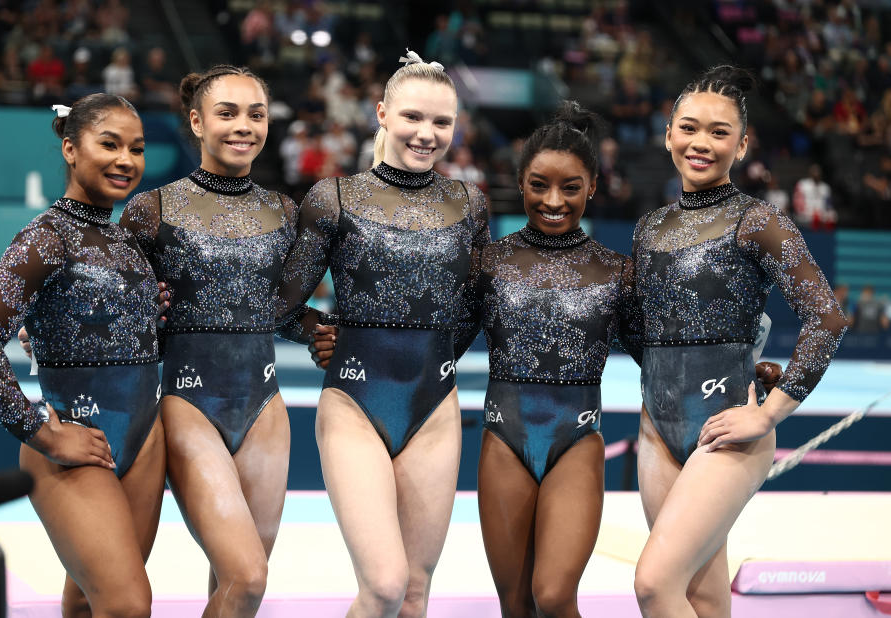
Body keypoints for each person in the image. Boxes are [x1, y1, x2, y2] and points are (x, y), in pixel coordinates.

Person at [278, 49, 489, 616]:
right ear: (382, 113)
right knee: (385, 584)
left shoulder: (469, 203)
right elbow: (281, 302)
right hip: (354, 401)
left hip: (435, 407)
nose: (427, 133)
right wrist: (317, 336)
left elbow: (475, 306)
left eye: (441, 122)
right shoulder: (336, 198)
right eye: (413, 118)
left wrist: (440, 359)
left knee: (417, 591)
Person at [631, 66, 848, 617]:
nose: (701, 143)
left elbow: (826, 317)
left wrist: (769, 414)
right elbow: (651, 332)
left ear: (742, 143)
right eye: (689, 127)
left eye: (719, 132)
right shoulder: (649, 227)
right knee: (701, 593)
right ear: (668, 133)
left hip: (727, 432)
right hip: (657, 431)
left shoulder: (757, 220)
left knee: (654, 585)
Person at [120, 64, 324, 617]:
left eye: (255, 114)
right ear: (196, 121)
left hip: (265, 409)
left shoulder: (284, 211)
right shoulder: (153, 209)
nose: (244, 126)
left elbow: (278, 312)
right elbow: (117, 295)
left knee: (234, 590)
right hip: (189, 404)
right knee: (248, 576)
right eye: (227, 113)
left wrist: (317, 332)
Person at [0, 93, 166, 617]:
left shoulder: (127, 242)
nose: (126, 160)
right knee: (128, 605)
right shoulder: (44, 239)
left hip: (145, 439)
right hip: (72, 440)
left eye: (136, 149)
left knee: (87, 603)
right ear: (71, 149)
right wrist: (42, 433)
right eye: (109, 144)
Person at [476, 101, 643, 618]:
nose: (553, 201)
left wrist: (739, 368)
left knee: (553, 596)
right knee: (516, 604)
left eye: (570, 187)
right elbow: (438, 339)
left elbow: (656, 354)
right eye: (538, 185)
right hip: (505, 438)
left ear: (592, 185)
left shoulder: (617, 272)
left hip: (577, 440)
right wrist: (341, 341)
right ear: (519, 182)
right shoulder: (489, 263)